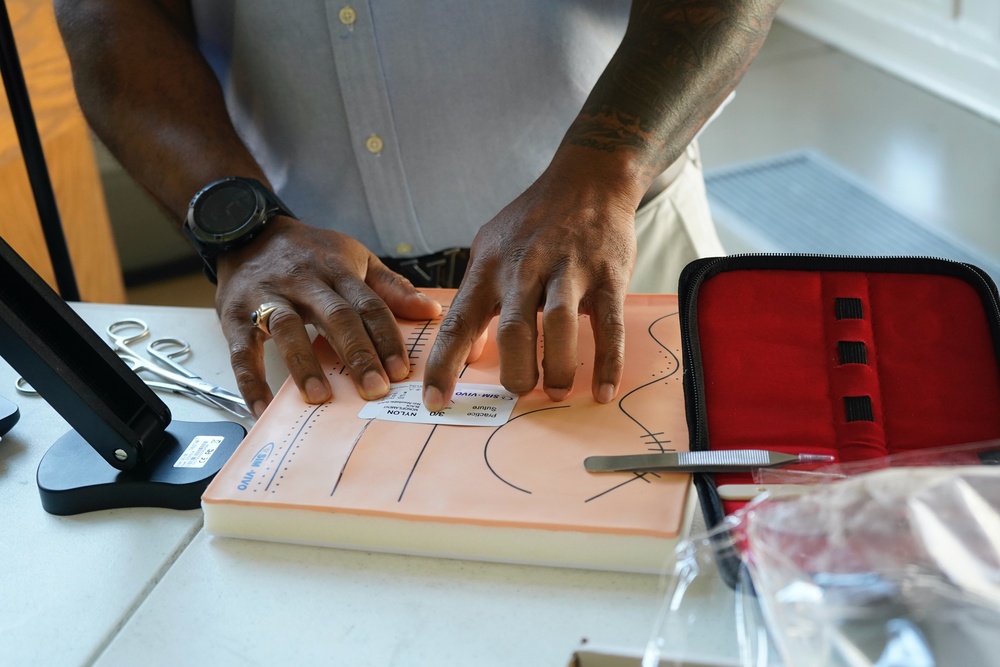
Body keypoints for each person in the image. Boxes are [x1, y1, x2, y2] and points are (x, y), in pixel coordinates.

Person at [55, 0, 781, 418]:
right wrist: (241, 227)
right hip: (316, 302)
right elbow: (108, 10)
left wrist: (603, 171)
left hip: (617, 254)